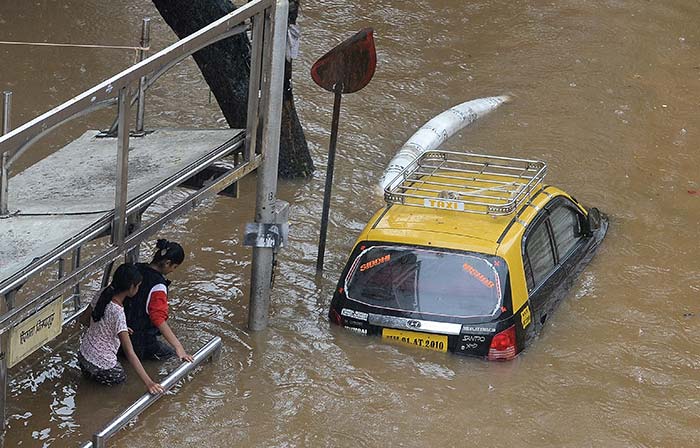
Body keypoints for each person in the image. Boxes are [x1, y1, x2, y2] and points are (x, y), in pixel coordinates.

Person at [78, 263, 164, 394]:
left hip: (84, 356)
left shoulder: (102, 293)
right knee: (122, 389)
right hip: (104, 367)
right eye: (138, 286)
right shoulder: (118, 312)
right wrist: (149, 382)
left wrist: (112, 329)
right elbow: (130, 353)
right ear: (131, 287)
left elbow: (84, 320)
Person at [125, 239, 193, 362]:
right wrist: (178, 347)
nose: (172, 271)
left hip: (121, 332)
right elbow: (158, 318)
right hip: (140, 342)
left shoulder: (136, 268)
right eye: (174, 267)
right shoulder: (158, 286)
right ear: (167, 263)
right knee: (172, 358)